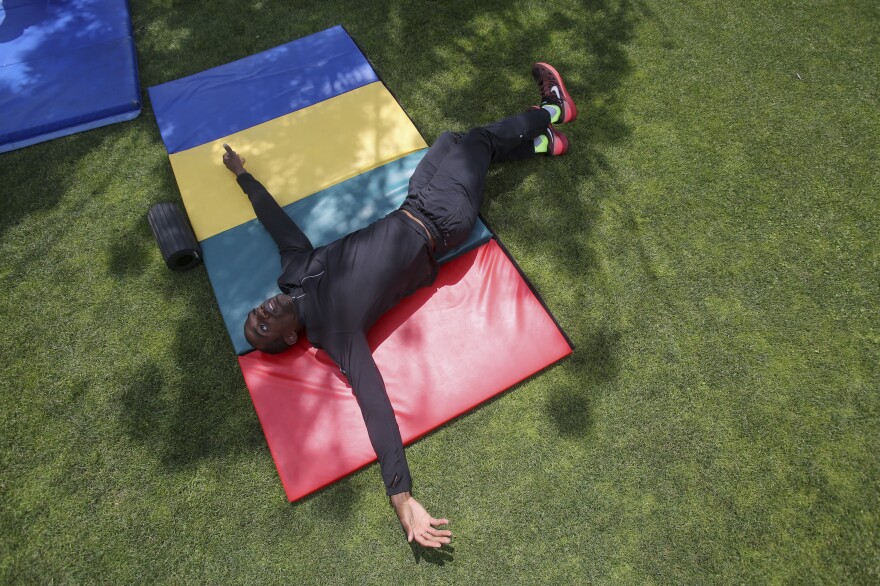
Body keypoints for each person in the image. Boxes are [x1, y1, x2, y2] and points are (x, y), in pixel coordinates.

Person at [222, 63, 577, 548]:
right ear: (289, 336)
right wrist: (402, 498)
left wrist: (244, 178)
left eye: (255, 313)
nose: (261, 311)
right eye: (262, 326)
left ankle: (542, 144)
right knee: (475, 141)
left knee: (450, 141)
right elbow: (374, 405)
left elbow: (277, 225)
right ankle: (555, 109)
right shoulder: (334, 331)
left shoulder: (295, 271)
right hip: (442, 221)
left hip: (415, 202)